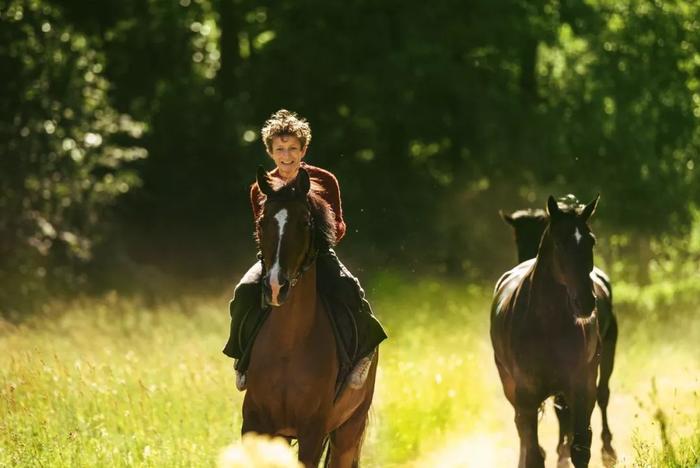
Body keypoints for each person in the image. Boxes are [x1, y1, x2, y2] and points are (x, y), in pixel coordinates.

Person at [223, 109, 387, 392]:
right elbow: (262, 231)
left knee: (349, 288)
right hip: (275, 258)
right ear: (270, 151)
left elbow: (339, 225)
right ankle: (242, 358)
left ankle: (364, 351)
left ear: (303, 149)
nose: (286, 156)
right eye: (280, 149)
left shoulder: (325, 180)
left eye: (292, 149)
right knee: (243, 291)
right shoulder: (259, 189)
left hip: (316, 255)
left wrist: (313, 240)